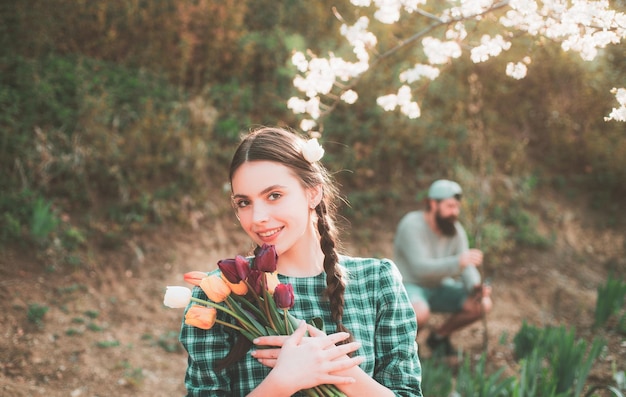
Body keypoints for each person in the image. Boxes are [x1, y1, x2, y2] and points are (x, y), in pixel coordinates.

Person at [180, 126, 422, 396]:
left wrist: (338, 368)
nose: (257, 216)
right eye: (244, 202)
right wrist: (282, 382)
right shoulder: (220, 292)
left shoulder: (378, 281)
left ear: (313, 193)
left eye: (274, 195)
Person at [393, 179, 493, 356]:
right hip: (409, 285)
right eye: (450, 206)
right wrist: (457, 263)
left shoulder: (455, 230)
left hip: (439, 287)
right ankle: (403, 350)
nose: (455, 212)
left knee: (481, 304)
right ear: (433, 203)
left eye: (457, 207)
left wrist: (475, 287)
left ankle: (439, 337)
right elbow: (420, 269)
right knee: (419, 312)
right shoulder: (412, 225)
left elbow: (467, 265)